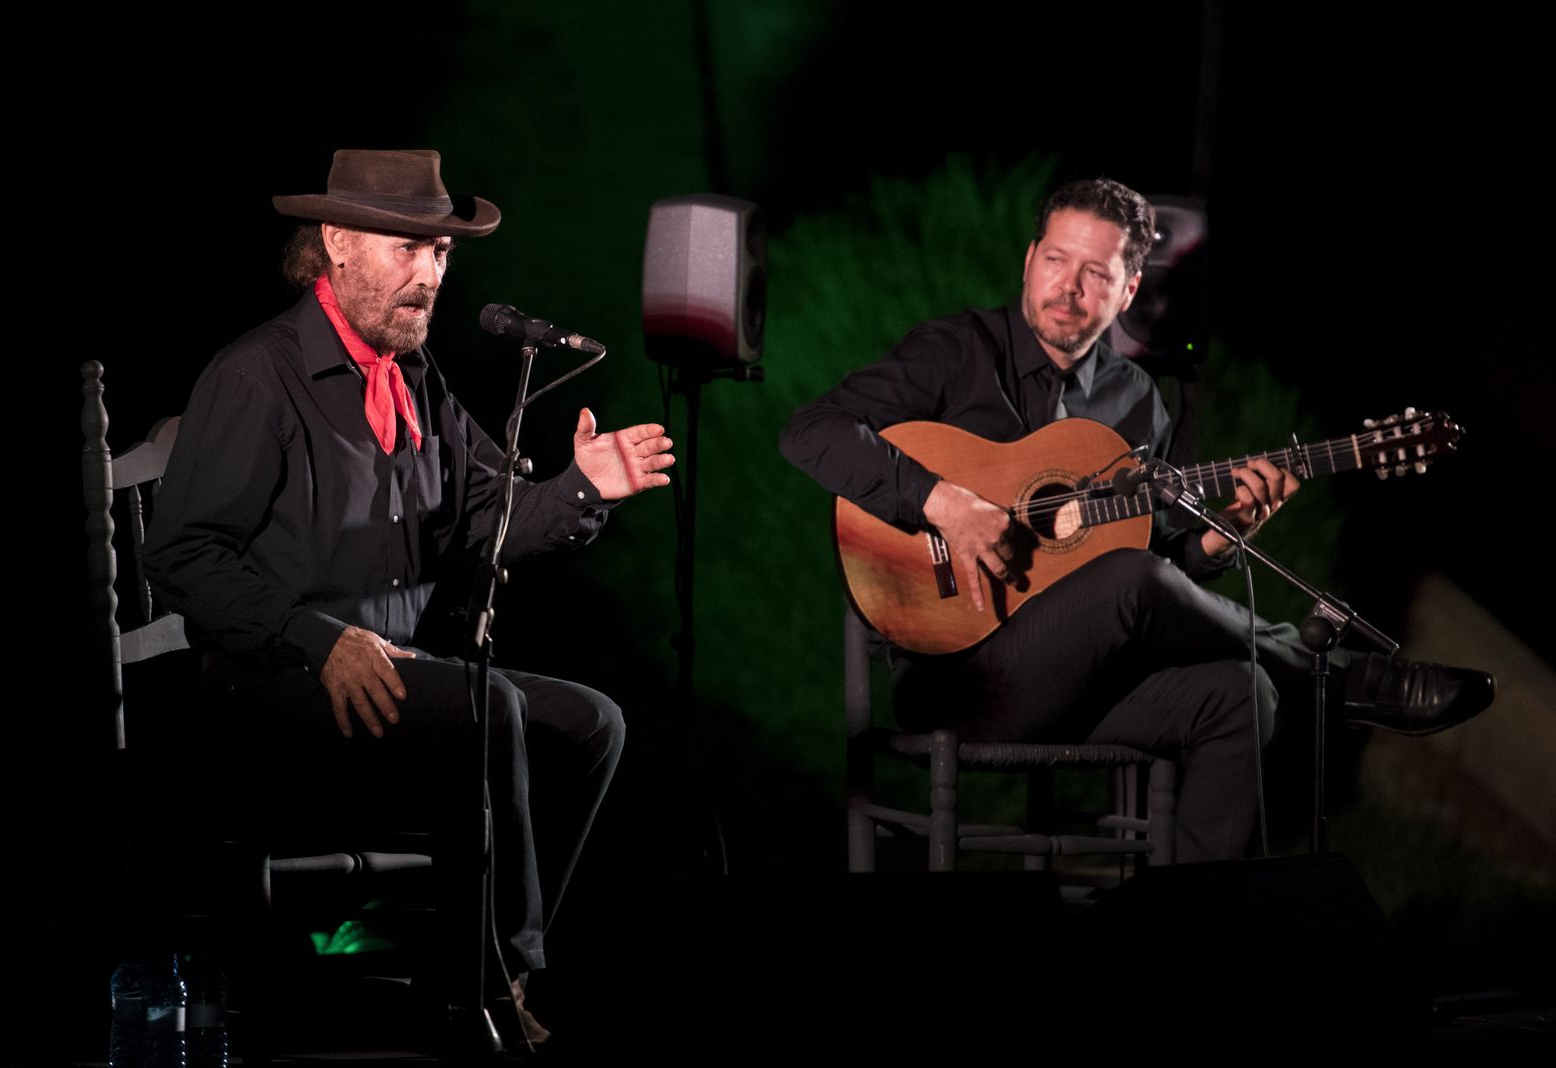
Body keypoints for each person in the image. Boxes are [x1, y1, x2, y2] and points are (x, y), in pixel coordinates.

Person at [780, 177, 1493, 862]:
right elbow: (810, 432)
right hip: (958, 683)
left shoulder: (1133, 403)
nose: (1069, 286)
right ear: (1029, 262)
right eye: (1056, 260)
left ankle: (1182, 937)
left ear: (1127, 291)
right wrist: (942, 501)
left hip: (1082, 682)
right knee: (1135, 579)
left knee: (1242, 695)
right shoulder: (954, 352)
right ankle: (1347, 681)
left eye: (1096, 273)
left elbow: (1146, 586)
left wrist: (1216, 540)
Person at [144, 148, 673, 1046]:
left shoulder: (415, 378)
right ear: (338, 242)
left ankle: (468, 967)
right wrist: (316, 639)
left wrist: (583, 488)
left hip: (393, 681)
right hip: (270, 689)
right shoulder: (257, 377)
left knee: (591, 722)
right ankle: (487, 988)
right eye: (408, 251)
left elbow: (481, 526)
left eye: (440, 254)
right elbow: (182, 555)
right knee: (487, 704)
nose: (429, 276)